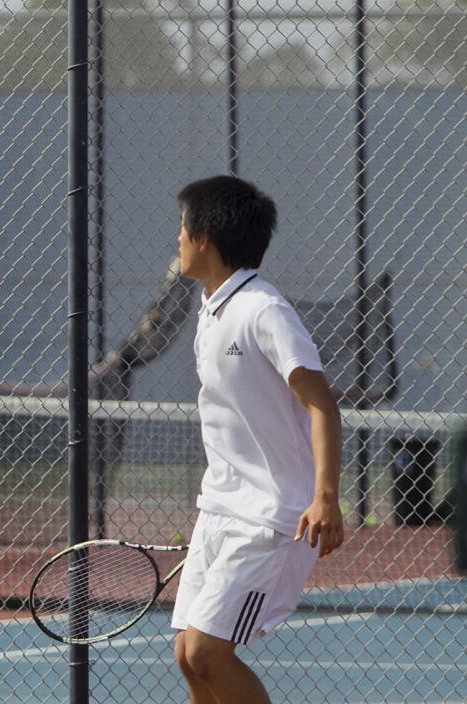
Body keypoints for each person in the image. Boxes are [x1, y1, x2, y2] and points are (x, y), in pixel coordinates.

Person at [170, 175, 345, 704]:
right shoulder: (212, 307)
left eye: (181, 228)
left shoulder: (264, 311)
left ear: (204, 239)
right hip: (221, 508)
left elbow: (322, 404)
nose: (175, 239)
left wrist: (325, 498)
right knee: (186, 654)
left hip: (270, 518)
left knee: (207, 653)